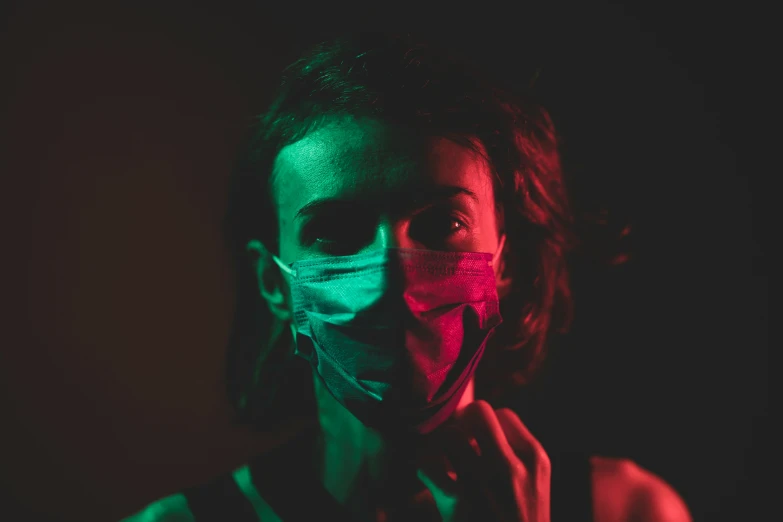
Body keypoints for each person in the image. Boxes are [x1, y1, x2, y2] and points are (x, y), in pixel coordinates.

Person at [121, 33, 692, 522]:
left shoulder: (629, 510)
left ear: (505, 262)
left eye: (443, 222)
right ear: (274, 283)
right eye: (334, 231)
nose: (392, 276)